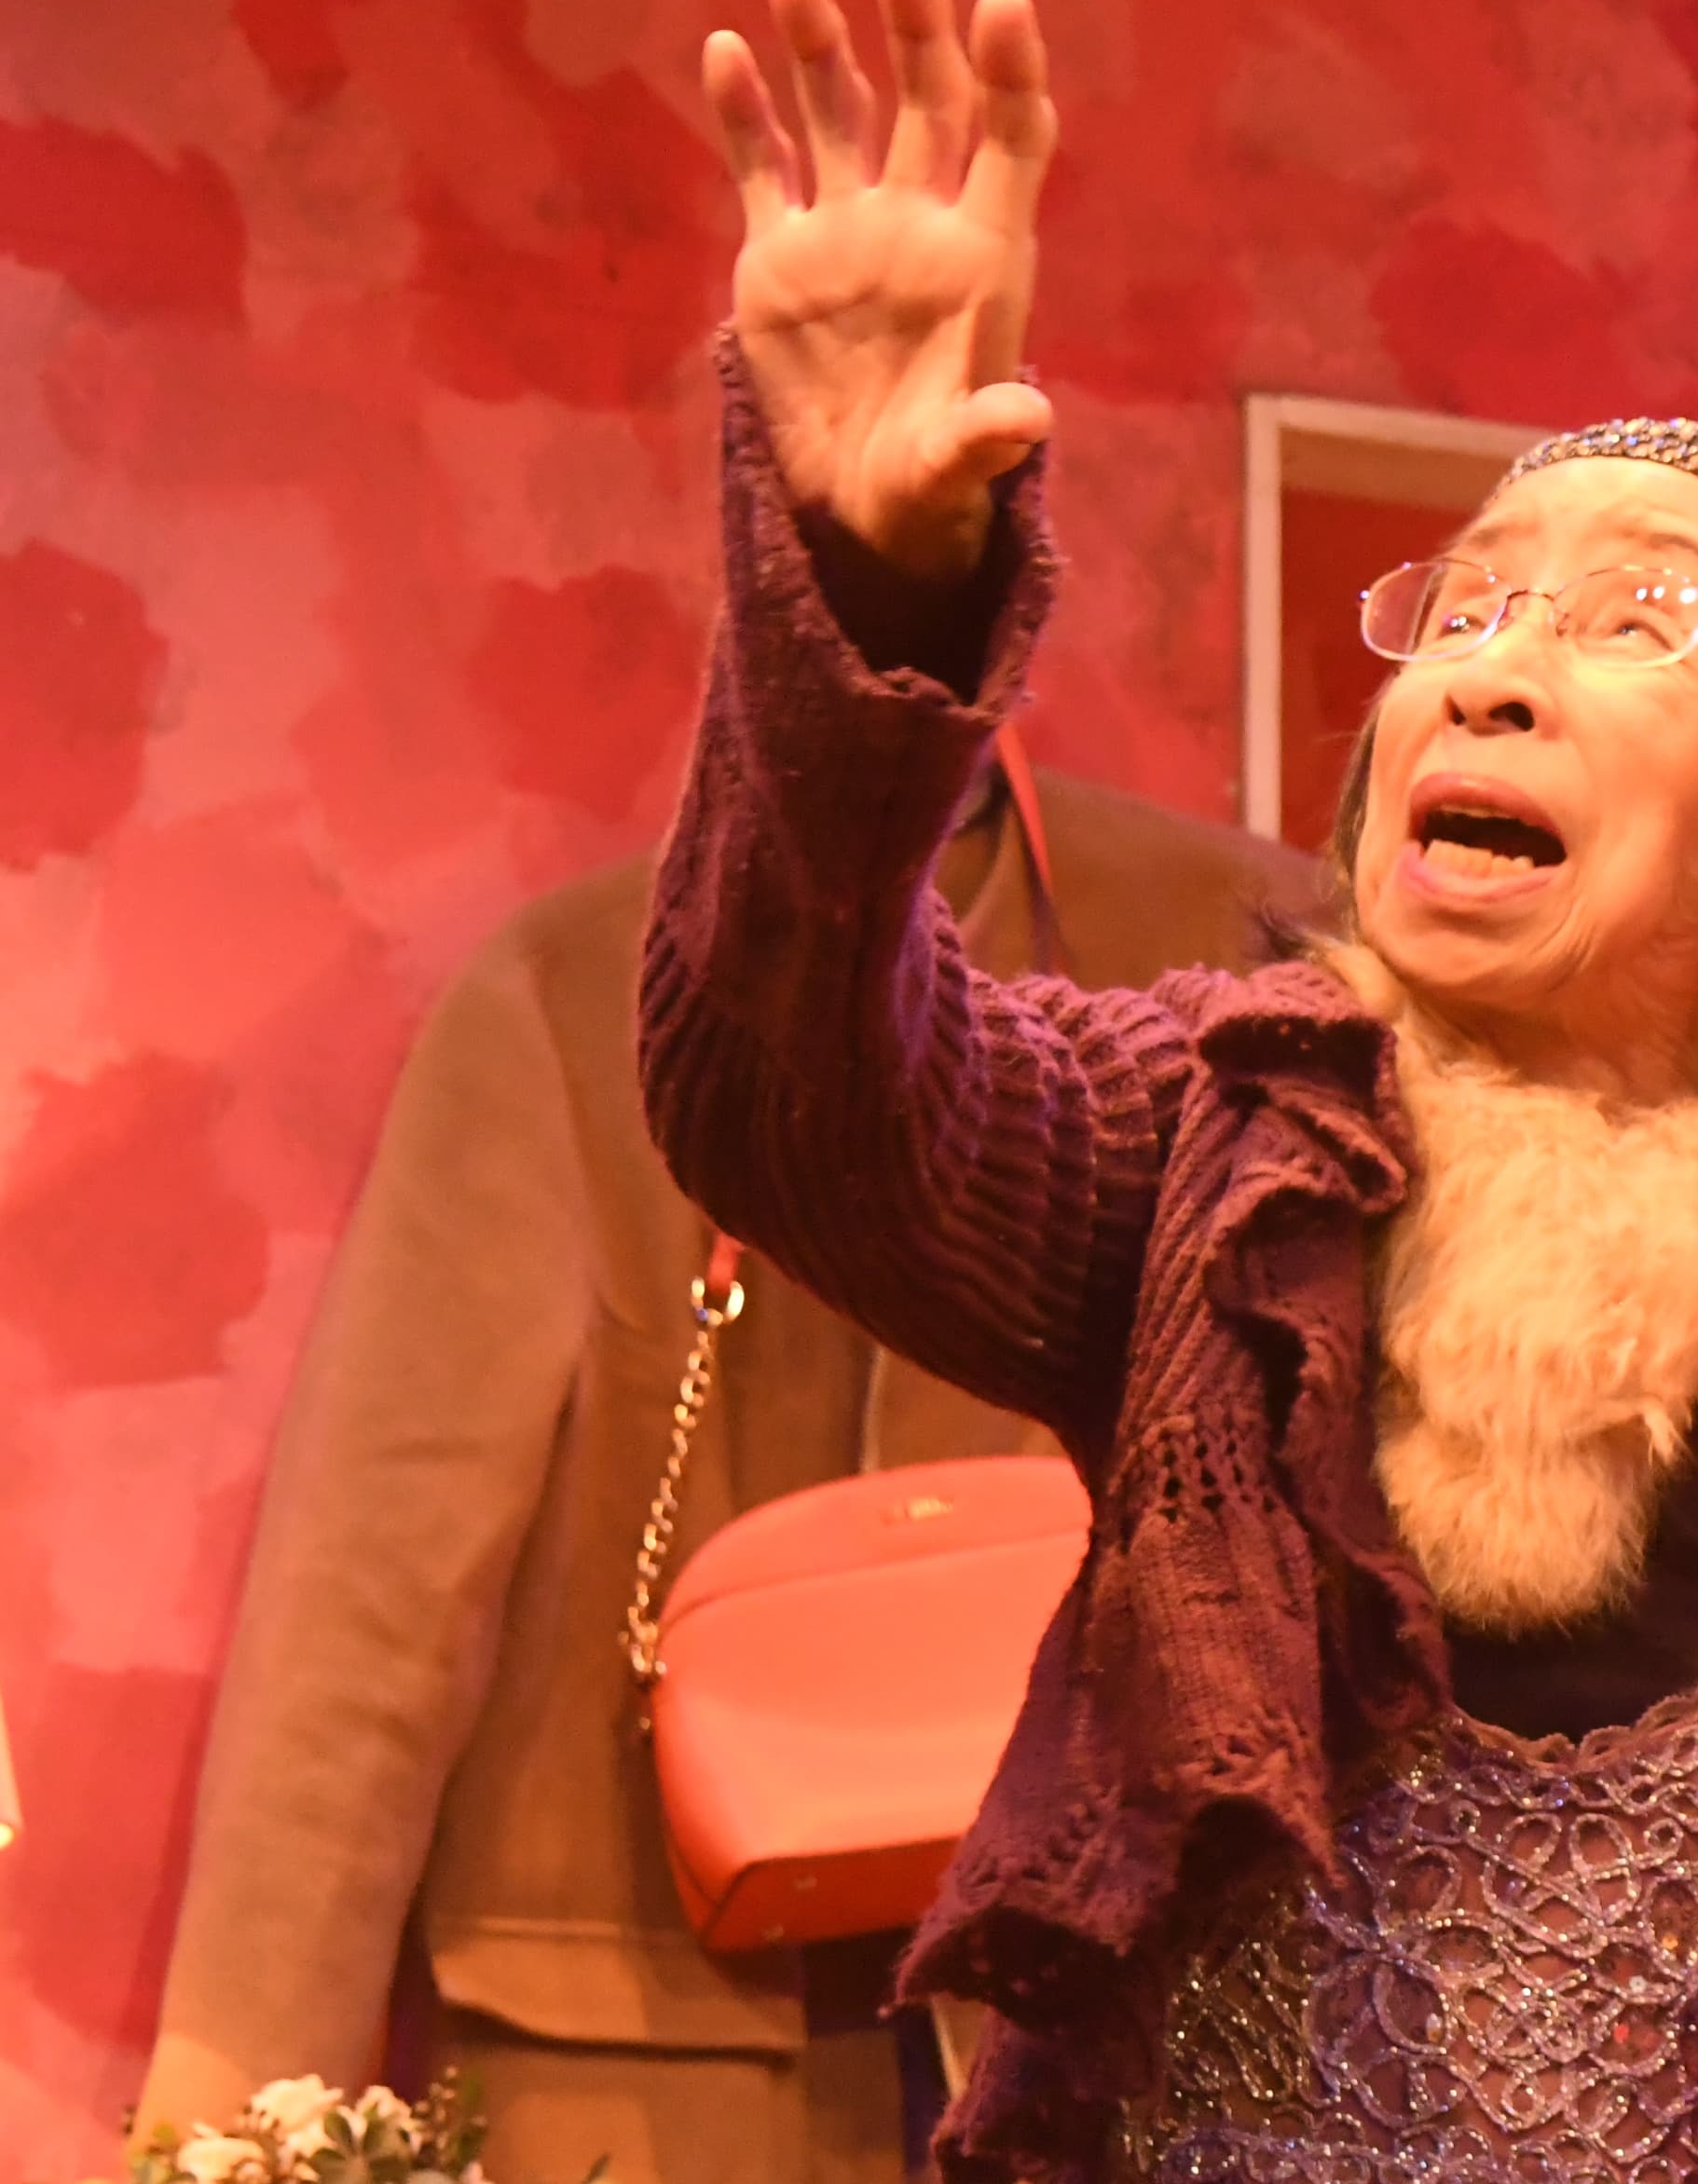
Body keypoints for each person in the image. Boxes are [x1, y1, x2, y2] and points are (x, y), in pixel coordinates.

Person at [635, 0, 1698, 2184]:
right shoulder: (1214, 1140)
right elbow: (786, 1101)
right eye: (1474, 604)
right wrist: (868, 579)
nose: (1491, 672)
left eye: (1637, 624)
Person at [139, 733, 1312, 2184]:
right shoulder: (566, 999)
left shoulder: (1271, 954)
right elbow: (373, 1594)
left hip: (1123, 2037)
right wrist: (243, 2119)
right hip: (659, 2051)